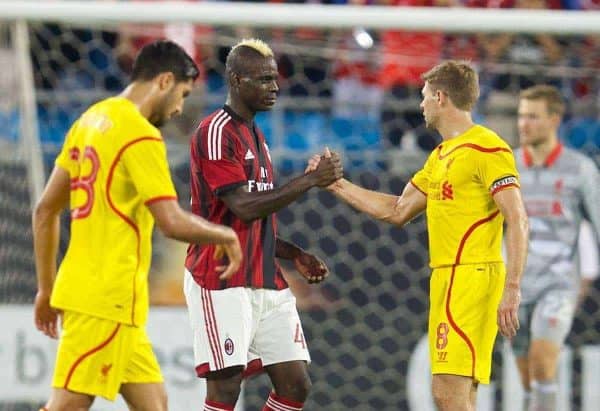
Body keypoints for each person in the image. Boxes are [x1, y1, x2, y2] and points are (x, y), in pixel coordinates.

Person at [32, 40, 243, 411]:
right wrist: (225, 233)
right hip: (105, 298)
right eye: (182, 94)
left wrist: (46, 290)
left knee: (154, 403)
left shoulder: (90, 121)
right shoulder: (140, 133)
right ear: (164, 81)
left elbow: (45, 212)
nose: (179, 108)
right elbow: (171, 221)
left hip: (105, 300)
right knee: (66, 406)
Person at [307, 60, 529, 410]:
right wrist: (336, 184)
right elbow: (397, 210)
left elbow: (516, 218)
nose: (420, 104)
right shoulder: (440, 156)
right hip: (448, 277)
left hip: (472, 275)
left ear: (440, 97)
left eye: (424, 96)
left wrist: (513, 287)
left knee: (447, 393)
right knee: (458, 393)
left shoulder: (488, 147)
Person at [183, 38, 343, 411]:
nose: (275, 87)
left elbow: (256, 216)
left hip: (264, 276)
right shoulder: (216, 131)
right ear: (237, 81)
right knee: (225, 389)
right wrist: (309, 180)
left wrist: (293, 253)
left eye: (275, 79)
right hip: (220, 276)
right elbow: (242, 208)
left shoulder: (257, 135)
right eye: (264, 80)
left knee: (295, 384)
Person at [512, 85, 600, 411]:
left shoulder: (580, 169)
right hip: (515, 285)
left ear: (554, 120)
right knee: (526, 375)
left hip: (560, 283)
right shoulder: (506, 166)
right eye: (521, 116)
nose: (524, 124)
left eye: (532, 117)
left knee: (542, 360)